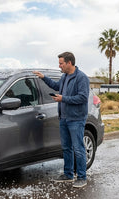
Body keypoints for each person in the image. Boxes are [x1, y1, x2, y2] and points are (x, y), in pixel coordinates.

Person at [33, 52, 90, 188]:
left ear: (69, 63)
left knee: (78, 148)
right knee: (66, 148)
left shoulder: (81, 78)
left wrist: (63, 98)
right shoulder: (65, 77)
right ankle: (68, 174)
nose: (59, 66)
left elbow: (83, 97)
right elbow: (57, 86)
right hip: (64, 118)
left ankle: (82, 177)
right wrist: (43, 78)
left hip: (76, 119)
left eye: (61, 63)